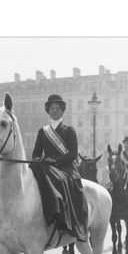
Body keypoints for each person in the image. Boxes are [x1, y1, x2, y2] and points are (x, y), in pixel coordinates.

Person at [30, 94, 88, 242]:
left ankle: (63, 219)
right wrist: (39, 160)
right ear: (48, 111)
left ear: (62, 111)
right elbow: (36, 153)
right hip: (46, 166)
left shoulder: (69, 130)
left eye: (57, 108)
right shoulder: (43, 131)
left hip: (65, 167)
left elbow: (73, 154)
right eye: (51, 108)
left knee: (60, 180)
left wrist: (55, 161)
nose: (54, 111)